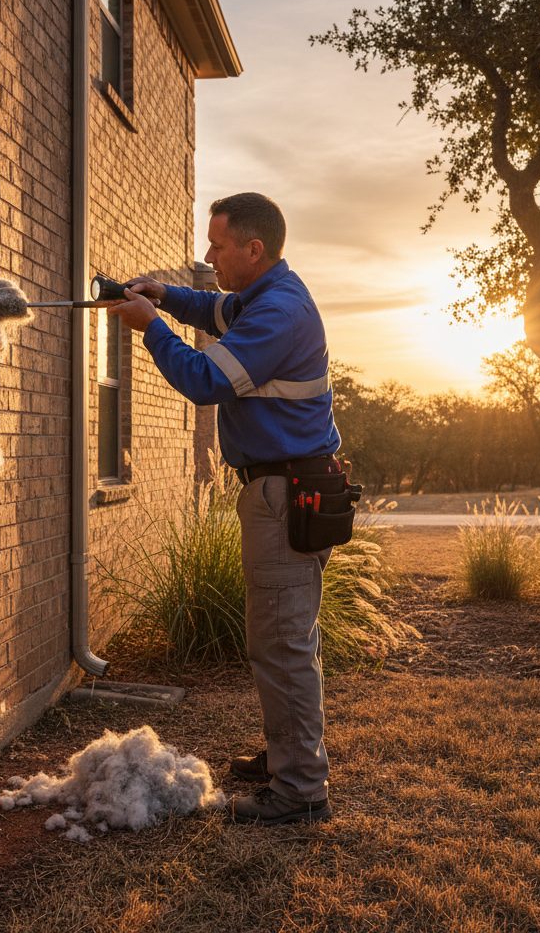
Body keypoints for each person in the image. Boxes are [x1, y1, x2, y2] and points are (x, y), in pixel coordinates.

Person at [108, 191, 342, 825]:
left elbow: (205, 380)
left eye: (216, 246)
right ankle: (286, 759)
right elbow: (212, 307)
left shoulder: (280, 313)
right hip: (284, 490)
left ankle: (300, 794)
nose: (208, 257)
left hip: (285, 495)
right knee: (280, 638)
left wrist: (150, 327)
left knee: (283, 644)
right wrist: (162, 294)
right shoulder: (262, 298)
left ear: (253, 249)